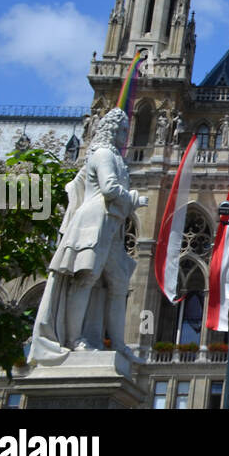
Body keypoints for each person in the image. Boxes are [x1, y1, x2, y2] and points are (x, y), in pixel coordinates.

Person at [30, 108, 147, 363]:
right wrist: (135, 198)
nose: (126, 136)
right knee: (87, 278)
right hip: (95, 222)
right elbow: (108, 188)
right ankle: (75, 340)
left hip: (113, 225)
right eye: (124, 131)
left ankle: (118, 343)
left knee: (118, 282)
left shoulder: (115, 157)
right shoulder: (103, 154)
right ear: (112, 130)